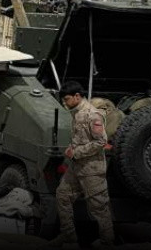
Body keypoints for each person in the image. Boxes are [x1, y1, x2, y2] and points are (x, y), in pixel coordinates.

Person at [51, 81, 115, 247]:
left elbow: (101, 141)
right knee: (62, 196)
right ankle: (68, 236)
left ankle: (107, 242)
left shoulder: (92, 115)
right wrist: (71, 148)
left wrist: (77, 152)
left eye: (67, 99)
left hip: (91, 169)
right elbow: (81, 138)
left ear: (77, 96)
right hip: (76, 167)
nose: (65, 103)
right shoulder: (77, 113)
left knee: (99, 207)